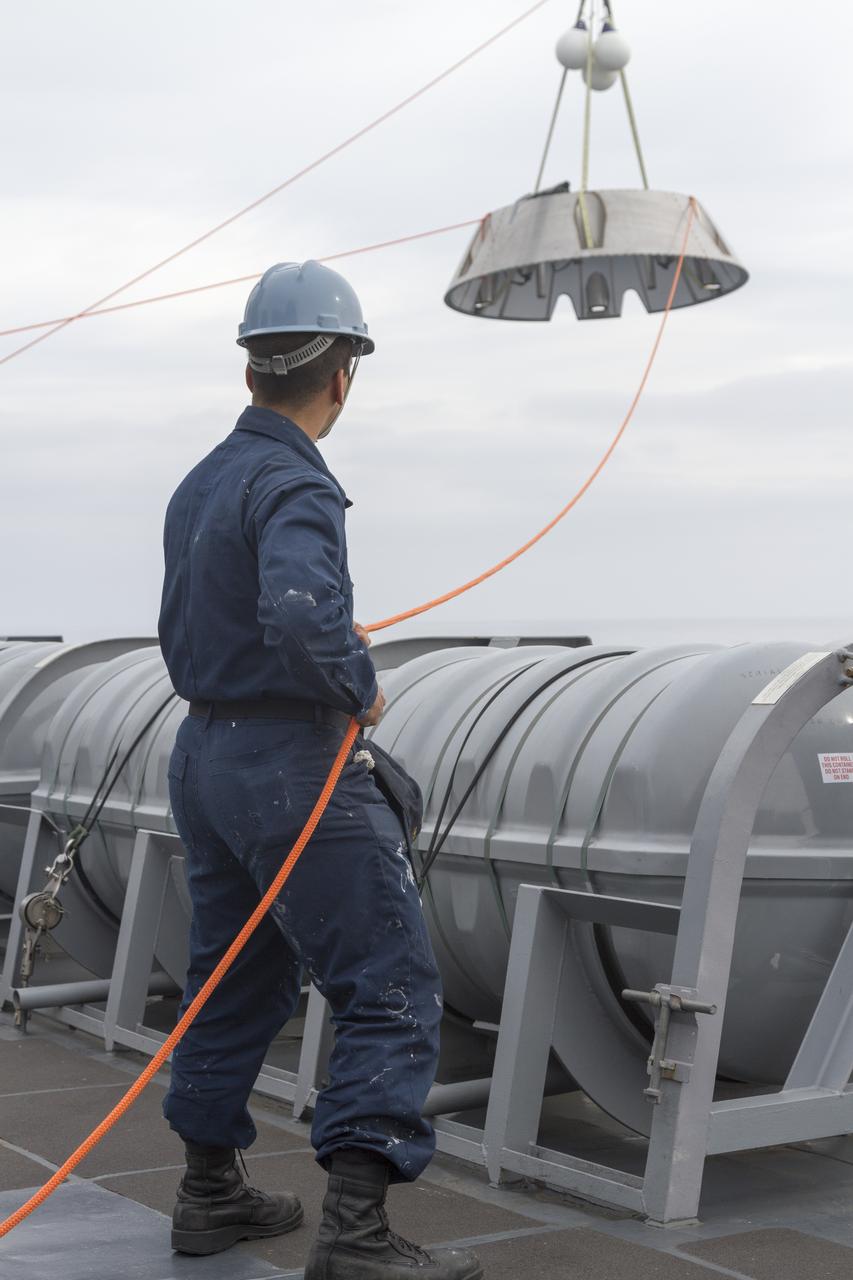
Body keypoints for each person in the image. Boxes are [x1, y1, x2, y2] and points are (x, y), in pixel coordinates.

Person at [157, 261, 482, 1280]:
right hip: (291, 761)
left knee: (234, 972)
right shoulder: (294, 477)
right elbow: (301, 616)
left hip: (204, 753)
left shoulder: (203, 478)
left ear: (252, 368)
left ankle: (209, 1190)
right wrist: (357, 684)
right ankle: (355, 1232)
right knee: (387, 982)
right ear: (342, 372)